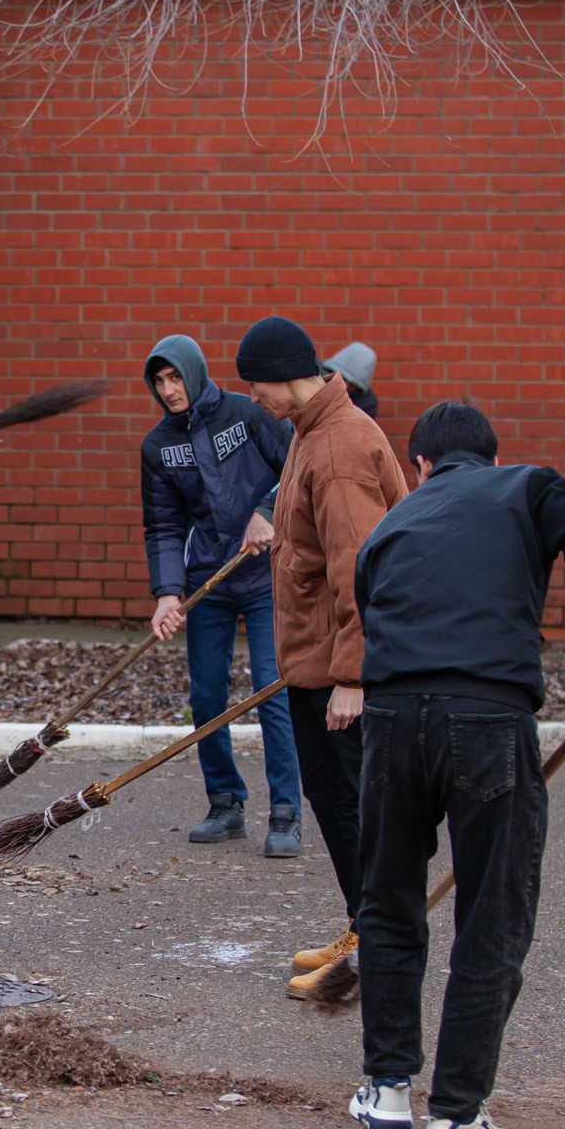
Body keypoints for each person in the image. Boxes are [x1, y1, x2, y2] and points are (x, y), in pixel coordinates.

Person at [346, 401, 565, 1129]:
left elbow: (369, 602)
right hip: (485, 718)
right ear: (492, 457)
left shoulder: (395, 522)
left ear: (420, 466)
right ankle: (458, 1121)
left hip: (392, 718)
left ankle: (388, 1086)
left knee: (388, 899)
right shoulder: (527, 487)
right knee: (491, 914)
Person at [235, 316, 408, 999]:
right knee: (336, 801)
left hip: (342, 672)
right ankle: (361, 924)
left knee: (350, 804)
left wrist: (352, 677)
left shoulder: (336, 448)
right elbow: (316, 537)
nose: (254, 398)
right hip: (317, 659)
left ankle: (374, 945)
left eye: (257, 385)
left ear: (285, 375)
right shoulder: (313, 432)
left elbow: (357, 568)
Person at [137, 335, 303, 855]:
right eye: (159, 381)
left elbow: (298, 466)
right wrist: (167, 593)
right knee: (206, 697)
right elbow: (164, 526)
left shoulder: (246, 414)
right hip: (208, 579)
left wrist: (268, 511)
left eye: (175, 377)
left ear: (195, 371)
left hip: (265, 577)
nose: (168, 389)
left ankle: (285, 812)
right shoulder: (158, 446)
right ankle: (225, 803)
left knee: (269, 689)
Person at [322, 342, 379, 419]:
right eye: (343, 378)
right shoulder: (313, 376)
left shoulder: (367, 404)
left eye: (353, 384)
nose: (345, 386)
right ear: (331, 371)